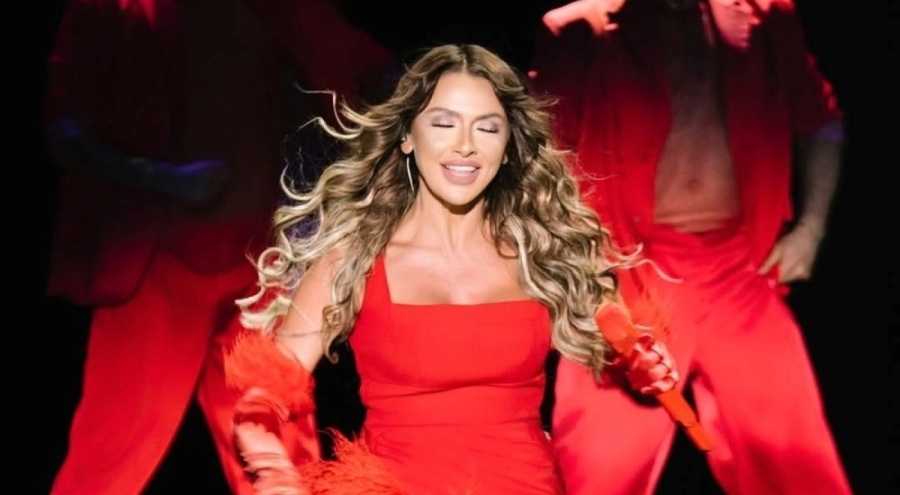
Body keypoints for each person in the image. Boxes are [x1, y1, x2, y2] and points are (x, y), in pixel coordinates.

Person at [221, 43, 682, 495]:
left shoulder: (546, 251)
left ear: (508, 147)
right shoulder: (353, 259)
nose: (465, 146)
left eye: (488, 128)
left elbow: (623, 345)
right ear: (407, 136)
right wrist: (274, 472)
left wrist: (643, 366)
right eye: (443, 123)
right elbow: (264, 395)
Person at [41, 0, 391, 493]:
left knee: (281, 449)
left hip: (260, 268)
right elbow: (64, 132)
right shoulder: (113, 12)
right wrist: (165, 180)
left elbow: (367, 70)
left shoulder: (275, 9)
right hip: (156, 274)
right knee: (113, 456)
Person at [529, 0, 853, 494]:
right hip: (627, 276)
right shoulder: (578, 28)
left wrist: (810, 228)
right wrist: (588, 275)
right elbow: (541, 159)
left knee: (800, 467)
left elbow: (820, 121)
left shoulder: (766, 15)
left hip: (741, 272)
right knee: (595, 472)